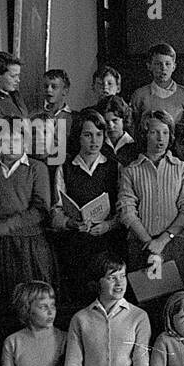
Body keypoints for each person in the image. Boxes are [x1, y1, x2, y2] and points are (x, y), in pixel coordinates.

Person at [0, 125, 57, 307]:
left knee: (35, 300)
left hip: (30, 245)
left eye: (16, 141)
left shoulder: (36, 168)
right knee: (6, 300)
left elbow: (40, 209)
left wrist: (2, 227)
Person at [117, 109, 184, 291]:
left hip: (174, 244)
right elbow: (127, 210)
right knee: (146, 300)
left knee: (177, 300)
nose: (160, 138)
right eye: (154, 132)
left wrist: (163, 240)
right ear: (144, 134)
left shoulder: (183, 169)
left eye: (165, 132)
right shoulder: (130, 171)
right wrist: (148, 241)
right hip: (140, 245)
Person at [64, 253, 150, 366]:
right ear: (99, 282)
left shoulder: (139, 316)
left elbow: (141, 362)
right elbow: (73, 365)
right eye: (112, 277)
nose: (119, 283)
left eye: (123, 276)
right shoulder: (80, 318)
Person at [51, 109, 121, 310]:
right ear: (78, 136)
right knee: (79, 299)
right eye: (88, 135)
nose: (94, 141)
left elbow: (123, 209)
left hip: (107, 244)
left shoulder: (113, 167)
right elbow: (55, 211)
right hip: (76, 245)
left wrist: (108, 225)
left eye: (99, 135)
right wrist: (71, 223)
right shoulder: (65, 167)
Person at [1, 281, 65, 366]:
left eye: (53, 305)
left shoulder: (65, 338)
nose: (51, 312)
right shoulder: (12, 341)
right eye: (43, 307)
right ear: (27, 310)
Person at [128, 42, 184, 128]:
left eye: (167, 64)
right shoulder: (139, 95)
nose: (163, 68)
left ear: (174, 67)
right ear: (149, 66)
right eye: (158, 64)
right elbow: (133, 126)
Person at [98, 95, 136, 165]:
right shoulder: (99, 146)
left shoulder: (133, 145)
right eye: (106, 122)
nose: (110, 126)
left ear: (124, 119)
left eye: (115, 120)